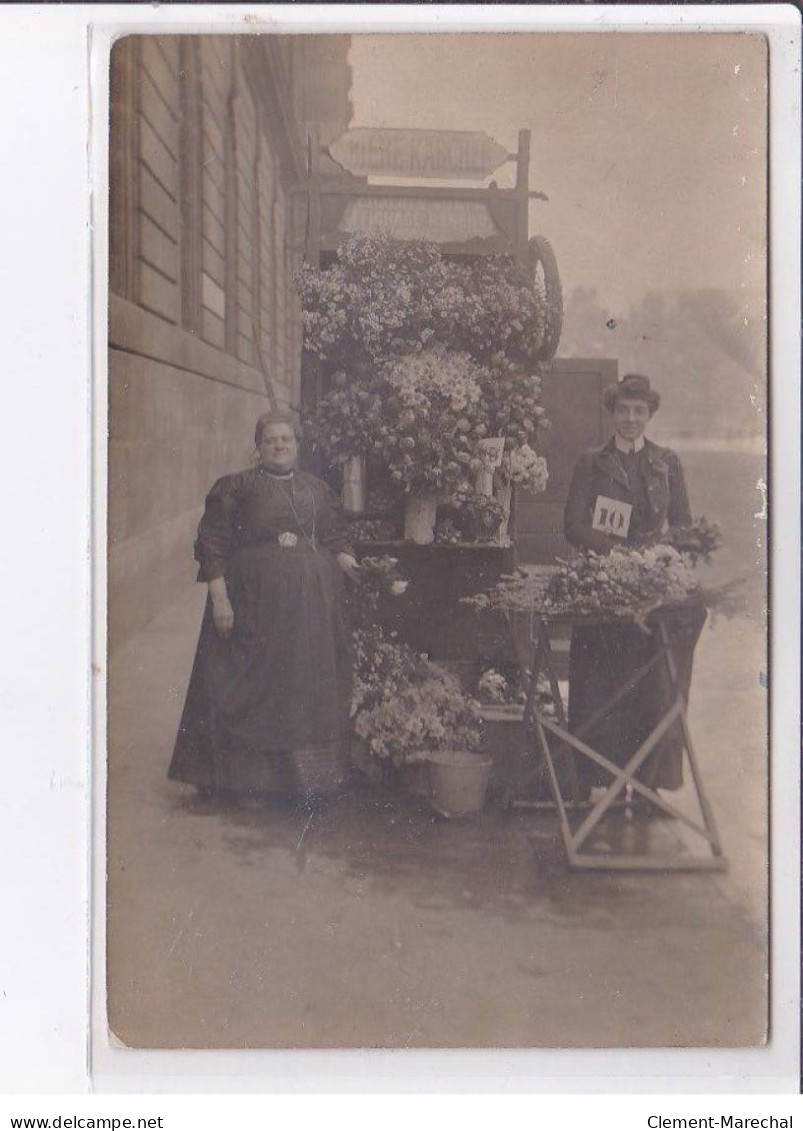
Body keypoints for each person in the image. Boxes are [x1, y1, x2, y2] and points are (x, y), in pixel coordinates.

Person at [169, 411, 360, 804]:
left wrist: (355, 567)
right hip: (251, 605)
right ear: (258, 447)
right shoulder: (235, 488)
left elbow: (335, 537)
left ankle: (297, 783)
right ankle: (242, 784)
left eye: (286, 439)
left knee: (296, 689)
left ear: (297, 446)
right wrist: (219, 598)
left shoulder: (316, 489)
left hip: (306, 611)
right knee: (251, 689)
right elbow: (213, 545)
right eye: (271, 440)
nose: (279, 446)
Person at [562, 373, 706, 806]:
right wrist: (616, 555)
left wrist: (662, 554)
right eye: (623, 410)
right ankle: (597, 779)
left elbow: (683, 525)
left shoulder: (667, 462)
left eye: (639, 411)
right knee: (601, 686)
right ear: (612, 411)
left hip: (650, 588)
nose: (630, 419)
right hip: (605, 586)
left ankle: (648, 781)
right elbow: (571, 526)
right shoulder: (593, 462)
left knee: (653, 685)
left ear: (650, 414)